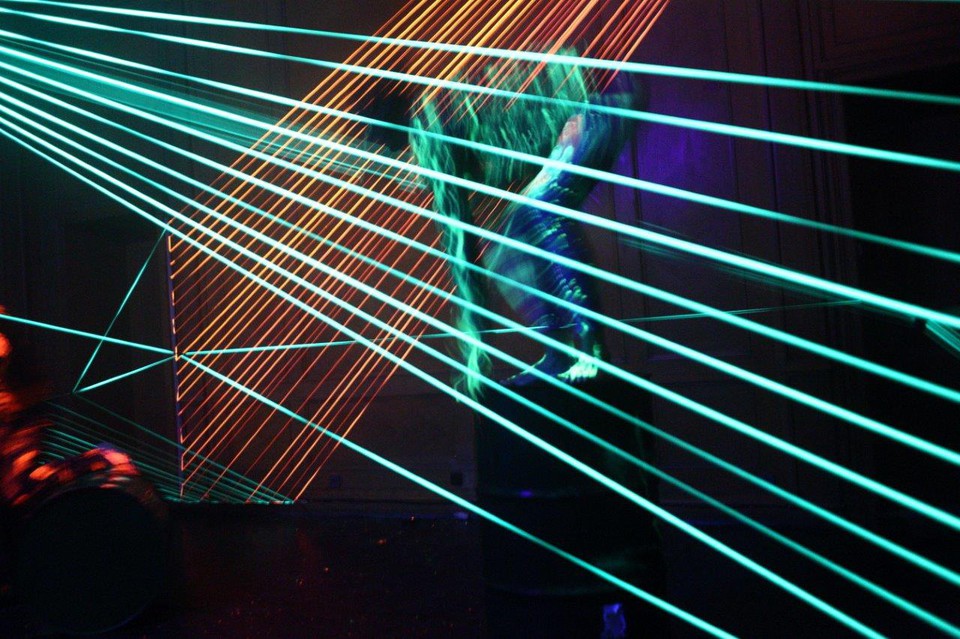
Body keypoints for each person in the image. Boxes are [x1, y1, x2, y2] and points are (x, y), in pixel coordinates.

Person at [404, 52, 644, 396]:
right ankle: (559, 353)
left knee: (541, 210)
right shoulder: (433, 124)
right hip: (599, 100)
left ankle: (591, 350)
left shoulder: (429, 137)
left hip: (599, 103)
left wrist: (475, 355)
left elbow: (462, 254)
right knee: (515, 233)